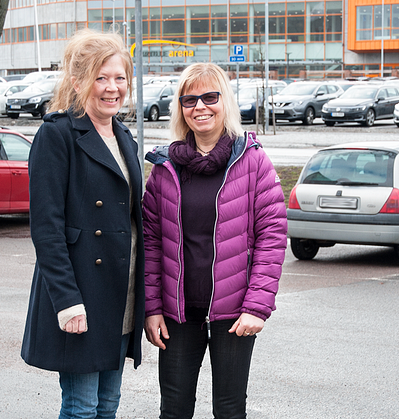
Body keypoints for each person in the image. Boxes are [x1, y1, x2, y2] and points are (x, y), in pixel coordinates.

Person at [142, 63, 288, 419]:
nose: (200, 107)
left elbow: (273, 235)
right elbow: (150, 243)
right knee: (173, 410)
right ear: (180, 108)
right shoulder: (165, 169)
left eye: (210, 97)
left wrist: (257, 305)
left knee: (229, 410)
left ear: (225, 102)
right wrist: (153, 308)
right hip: (179, 314)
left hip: (235, 312)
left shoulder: (252, 162)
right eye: (190, 100)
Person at [20, 29, 145, 419]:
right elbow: (47, 228)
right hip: (81, 294)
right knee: (81, 407)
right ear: (78, 81)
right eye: (100, 77)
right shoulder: (57, 134)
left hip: (119, 293)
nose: (112, 88)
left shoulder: (125, 137)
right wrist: (68, 302)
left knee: (108, 404)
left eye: (119, 77)